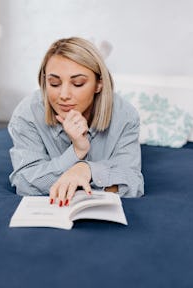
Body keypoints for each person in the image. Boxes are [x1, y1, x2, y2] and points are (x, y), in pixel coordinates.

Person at [8, 37, 144, 206]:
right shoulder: (27, 114)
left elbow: (133, 183)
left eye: (78, 83)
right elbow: (24, 183)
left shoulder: (125, 115)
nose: (64, 95)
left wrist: (85, 170)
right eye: (54, 83)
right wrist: (77, 151)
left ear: (99, 84)